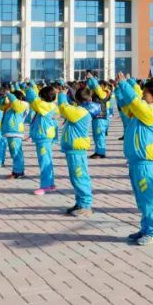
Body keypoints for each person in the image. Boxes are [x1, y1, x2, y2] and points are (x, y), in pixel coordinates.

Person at [113, 74, 153, 246]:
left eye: (145, 94)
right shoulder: (142, 111)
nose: (142, 97)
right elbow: (126, 107)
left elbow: (136, 103)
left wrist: (125, 84)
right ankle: (146, 228)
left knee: (150, 197)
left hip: (146, 162)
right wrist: (119, 89)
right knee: (141, 198)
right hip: (136, 161)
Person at [60, 84, 96, 217]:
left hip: (77, 150)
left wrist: (62, 94)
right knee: (76, 178)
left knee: (80, 177)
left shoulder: (80, 112)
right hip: (73, 149)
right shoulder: (79, 110)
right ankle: (80, 202)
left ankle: (86, 205)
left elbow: (63, 108)